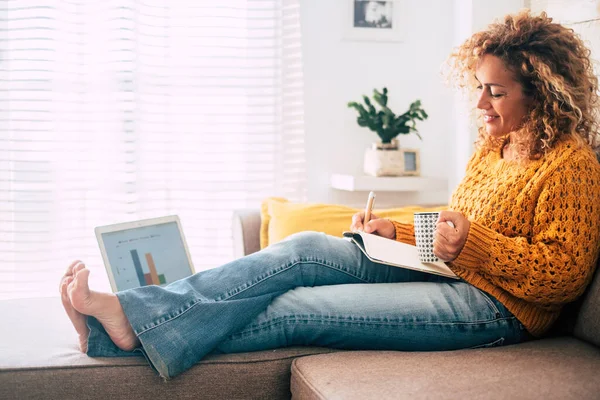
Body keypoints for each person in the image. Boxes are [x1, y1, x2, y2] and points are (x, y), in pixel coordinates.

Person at [60, 10, 600, 380]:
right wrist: (398, 231)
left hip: (496, 310)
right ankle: (132, 317)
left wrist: (471, 246)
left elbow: (564, 275)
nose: (480, 102)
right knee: (301, 250)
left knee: (296, 308)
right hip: (448, 270)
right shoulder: (494, 145)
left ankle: (121, 329)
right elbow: (460, 229)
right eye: (479, 85)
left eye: (496, 91)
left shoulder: (571, 165)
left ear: (545, 94)